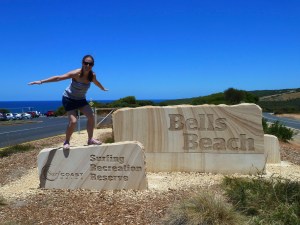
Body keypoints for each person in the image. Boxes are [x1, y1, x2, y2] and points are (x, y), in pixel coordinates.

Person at [28, 55, 108, 150]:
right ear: (82, 63)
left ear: (93, 65)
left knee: (91, 116)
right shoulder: (76, 73)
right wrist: (41, 81)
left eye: (90, 64)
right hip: (68, 98)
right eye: (86, 63)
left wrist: (102, 88)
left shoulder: (92, 75)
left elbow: (96, 82)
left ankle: (90, 139)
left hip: (81, 99)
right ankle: (66, 141)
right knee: (73, 121)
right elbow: (58, 78)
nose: (88, 65)